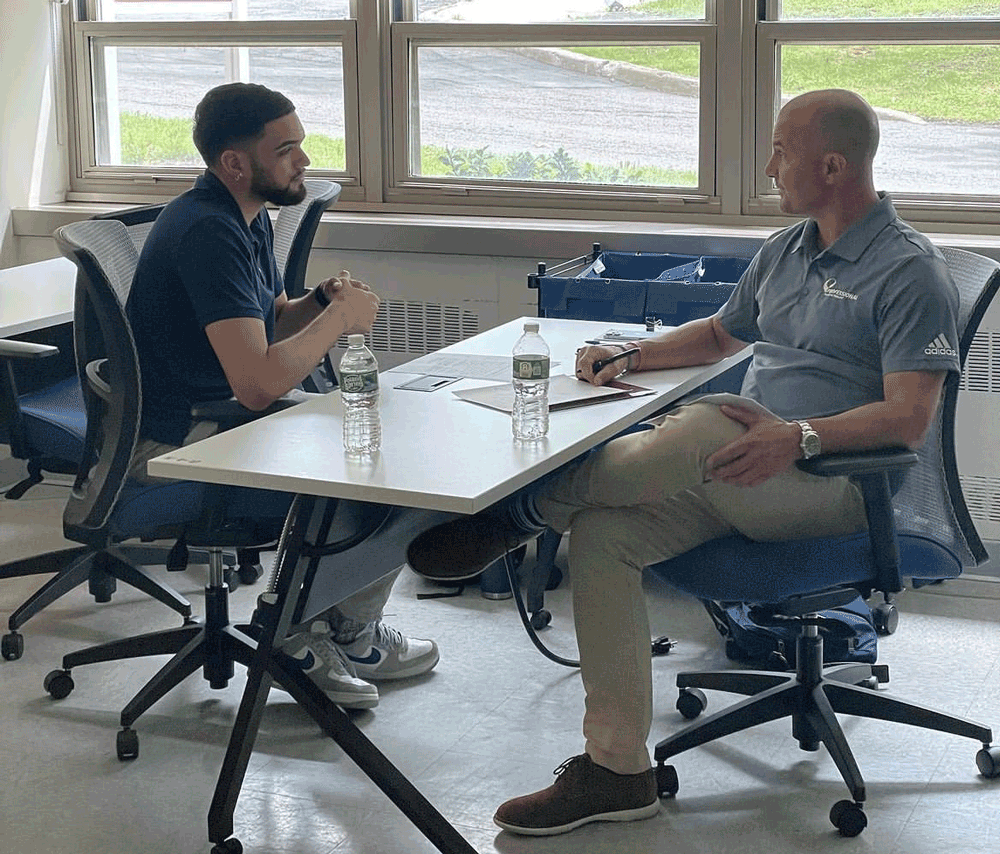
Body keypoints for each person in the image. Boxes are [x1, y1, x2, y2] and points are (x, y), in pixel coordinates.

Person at [406, 89, 961, 835]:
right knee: (606, 537)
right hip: (742, 470)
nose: (770, 168)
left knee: (702, 427)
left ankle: (520, 510)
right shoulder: (790, 248)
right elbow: (718, 336)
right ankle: (616, 772)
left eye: (781, 153)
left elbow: (909, 416)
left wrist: (796, 436)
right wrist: (633, 351)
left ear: (831, 166)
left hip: (831, 484)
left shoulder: (908, 270)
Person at [127, 82, 439, 711]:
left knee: (399, 448)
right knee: (368, 477)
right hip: (179, 435)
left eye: (301, 145)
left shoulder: (244, 216)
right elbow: (259, 382)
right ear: (234, 164)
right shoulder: (207, 232)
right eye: (286, 149)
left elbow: (270, 322)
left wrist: (319, 302)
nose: (303, 162)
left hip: (221, 415)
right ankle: (293, 638)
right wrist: (341, 321)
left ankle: (348, 632)